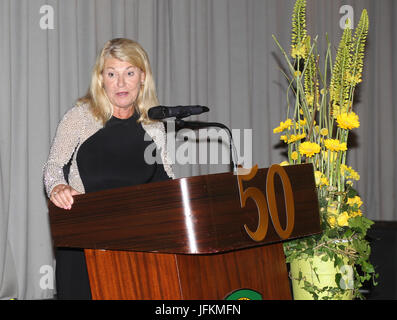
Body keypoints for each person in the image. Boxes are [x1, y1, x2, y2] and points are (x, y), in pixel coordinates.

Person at [43, 38, 174, 299]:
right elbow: (53, 167)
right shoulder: (80, 118)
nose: (121, 83)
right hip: (84, 245)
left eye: (129, 73)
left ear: (143, 77)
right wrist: (57, 186)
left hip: (137, 248)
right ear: (101, 79)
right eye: (112, 73)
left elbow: (166, 182)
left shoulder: (155, 127)